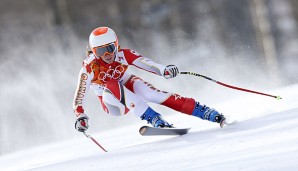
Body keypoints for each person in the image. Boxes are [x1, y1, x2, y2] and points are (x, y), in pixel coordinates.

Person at [73, 27, 226, 132]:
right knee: (112, 84)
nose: (107, 54)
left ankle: (205, 112)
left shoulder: (123, 54)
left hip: (128, 84)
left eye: (110, 48)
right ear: (93, 51)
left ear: (116, 45)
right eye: (100, 51)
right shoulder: (89, 67)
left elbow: (146, 63)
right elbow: (79, 97)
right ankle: (155, 120)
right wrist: (81, 116)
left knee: (152, 94)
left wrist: (164, 70)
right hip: (112, 102)